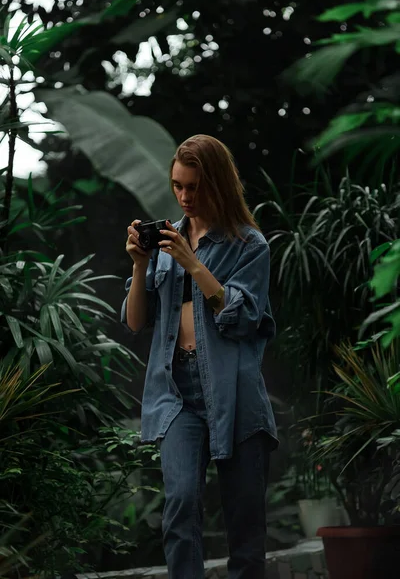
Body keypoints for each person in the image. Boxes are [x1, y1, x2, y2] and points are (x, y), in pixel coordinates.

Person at [121, 134, 278, 579]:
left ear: (218, 185)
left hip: (235, 393)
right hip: (178, 394)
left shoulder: (250, 245)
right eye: (177, 185)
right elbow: (135, 322)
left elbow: (242, 318)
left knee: (245, 525)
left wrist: (193, 263)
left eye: (194, 187)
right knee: (181, 506)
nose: (184, 197)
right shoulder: (166, 245)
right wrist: (138, 264)